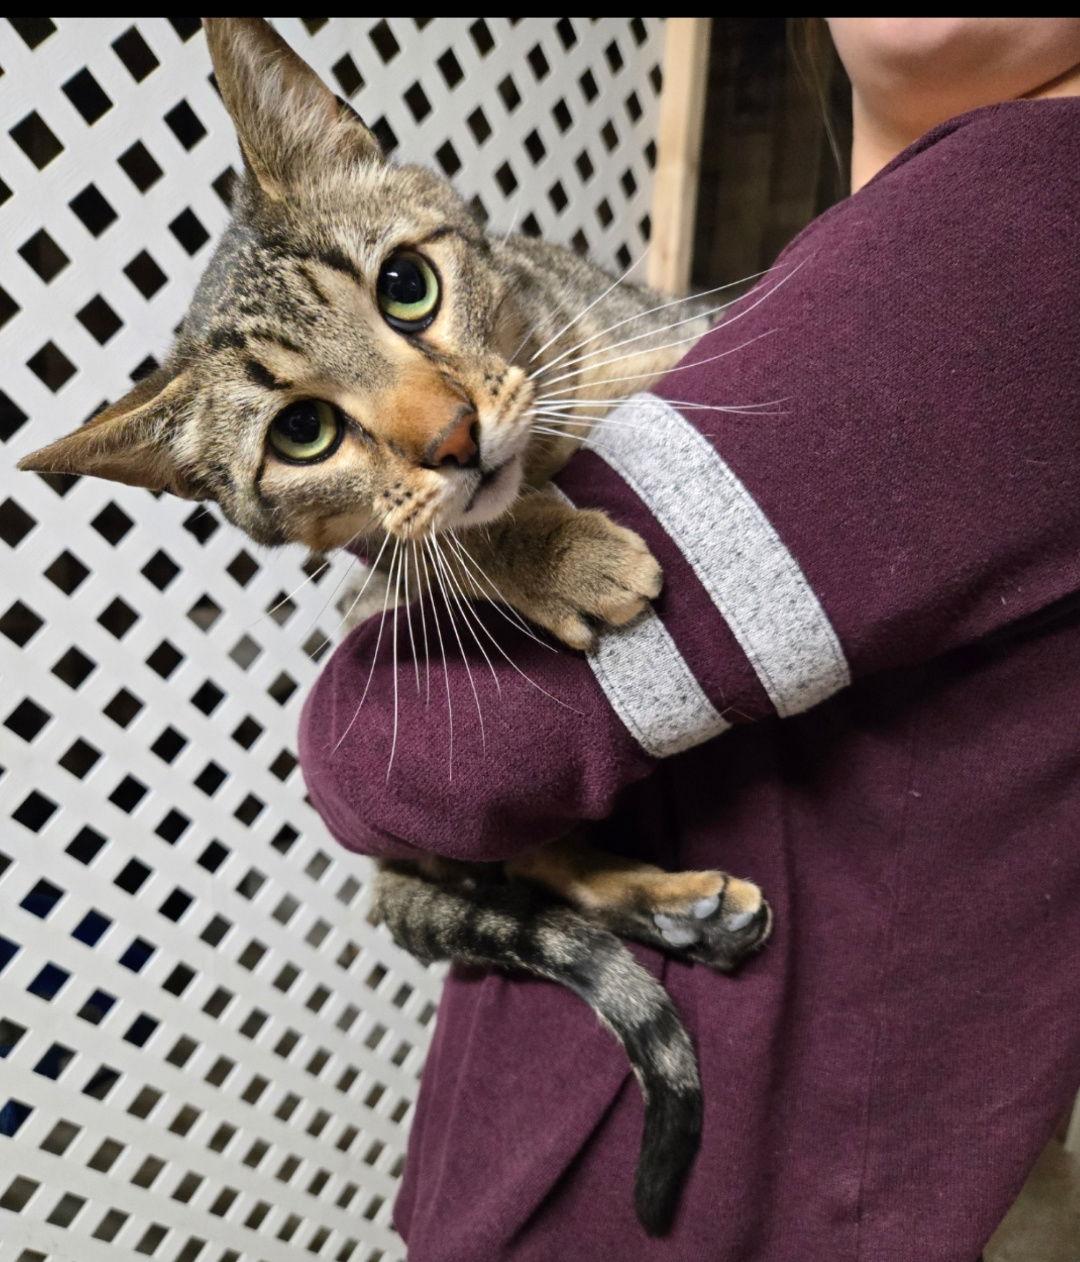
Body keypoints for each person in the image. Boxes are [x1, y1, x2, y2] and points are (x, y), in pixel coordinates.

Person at [299, 19, 1080, 1261]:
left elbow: (402, 760)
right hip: (584, 1149)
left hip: (704, 1192)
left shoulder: (1036, 207)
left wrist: (400, 659)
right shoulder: (849, 265)